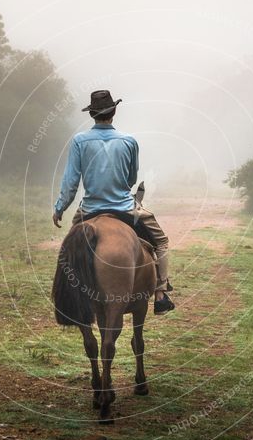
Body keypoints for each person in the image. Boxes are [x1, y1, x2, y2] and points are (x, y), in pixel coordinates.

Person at [52, 90, 175, 314]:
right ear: (114, 112)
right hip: (124, 207)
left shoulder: (80, 141)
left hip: (89, 209)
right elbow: (131, 179)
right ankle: (160, 293)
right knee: (161, 241)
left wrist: (60, 208)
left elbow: (71, 182)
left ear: (92, 115)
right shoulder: (129, 141)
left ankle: (71, 291)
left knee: (71, 250)